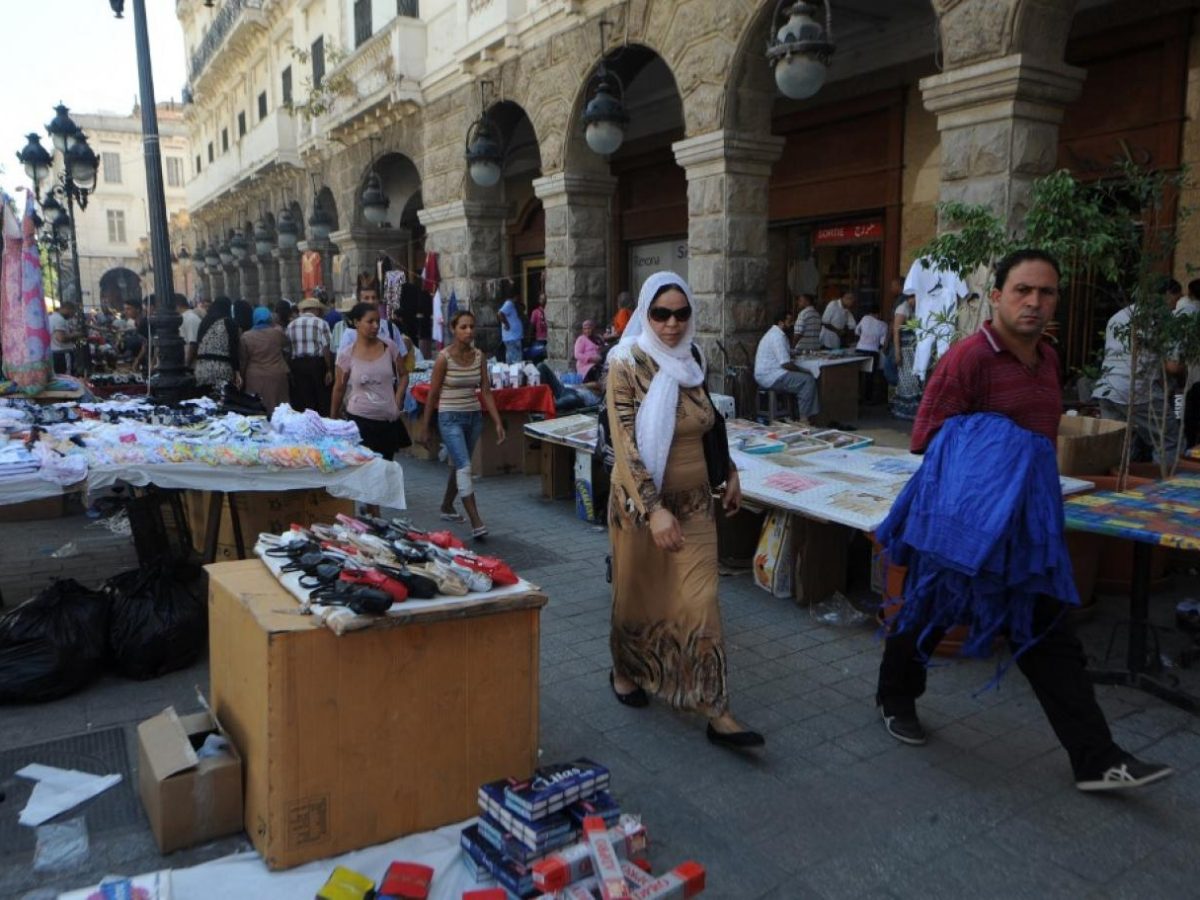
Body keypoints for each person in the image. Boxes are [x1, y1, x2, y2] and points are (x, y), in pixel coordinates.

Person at [875, 248, 1172, 792]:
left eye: (1046, 292)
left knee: (1047, 633)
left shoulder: (1049, 359)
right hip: (962, 524)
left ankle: (1096, 759)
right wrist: (1002, 446)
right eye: (1022, 291)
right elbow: (927, 438)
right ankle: (894, 697)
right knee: (927, 612)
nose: (1034, 302)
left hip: (1023, 528)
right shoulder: (968, 358)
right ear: (996, 297)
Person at [606, 271, 760, 749]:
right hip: (639, 507)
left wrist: (729, 471)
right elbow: (626, 444)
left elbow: (708, 423)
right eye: (660, 314)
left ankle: (716, 709)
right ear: (645, 314)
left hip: (694, 506)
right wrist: (653, 510)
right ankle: (626, 670)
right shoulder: (625, 364)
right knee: (638, 596)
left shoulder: (693, 360)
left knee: (701, 601)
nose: (671, 324)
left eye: (681, 313)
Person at [421, 310, 505, 539]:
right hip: (450, 417)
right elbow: (432, 394)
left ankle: (447, 506)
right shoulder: (443, 358)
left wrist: (497, 422)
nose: (469, 331)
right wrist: (425, 426)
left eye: (471, 327)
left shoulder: (479, 356)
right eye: (463, 327)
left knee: (459, 464)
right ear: (453, 329)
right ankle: (476, 522)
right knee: (465, 466)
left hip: (473, 417)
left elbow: (485, 390)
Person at [1091, 294, 1181, 463]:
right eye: (1176, 300)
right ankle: (1165, 480)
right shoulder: (1162, 320)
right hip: (1138, 390)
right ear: (1166, 295)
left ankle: (1118, 478)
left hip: (1108, 387)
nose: (1175, 307)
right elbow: (1173, 367)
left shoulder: (1118, 316)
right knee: (1168, 440)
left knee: (1118, 447)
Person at [331, 302, 409, 468]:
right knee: (364, 469)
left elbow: (403, 375)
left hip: (387, 420)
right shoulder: (347, 354)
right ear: (356, 322)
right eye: (370, 321)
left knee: (385, 468)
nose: (376, 326)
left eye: (378, 322)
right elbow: (339, 387)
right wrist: (333, 417)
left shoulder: (389, 347)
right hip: (360, 421)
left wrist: (398, 398)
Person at [754, 309, 819, 422]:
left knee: (805, 378)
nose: (791, 324)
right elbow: (785, 364)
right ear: (781, 323)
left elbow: (786, 353)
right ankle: (804, 419)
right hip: (771, 376)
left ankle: (804, 415)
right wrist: (803, 370)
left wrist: (796, 354)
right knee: (808, 380)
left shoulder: (776, 334)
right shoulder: (777, 337)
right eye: (789, 322)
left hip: (770, 374)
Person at [286, 297, 334, 416]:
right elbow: (326, 347)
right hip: (317, 363)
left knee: (304, 398)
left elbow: (288, 348)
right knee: (322, 397)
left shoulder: (291, 325)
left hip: (297, 364)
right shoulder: (321, 323)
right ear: (316, 310)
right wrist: (329, 369)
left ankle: (307, 421)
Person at [239, 306, 291, 414]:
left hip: (255, 377)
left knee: (257, 408)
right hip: (277, 374)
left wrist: (241, 376)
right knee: (279, 409)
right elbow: (288, 348)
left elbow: (243, 360)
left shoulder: (246, 336)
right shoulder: (277, 334)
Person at [194, 296, 241, 390]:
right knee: (221, 395)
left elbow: (198, 343)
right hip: (222, 367)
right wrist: (237, 371)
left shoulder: (204, 322)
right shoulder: (229, 322)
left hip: (202, 367)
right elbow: (233, 348)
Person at [890, 285, 921, 420]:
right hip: (904, 350)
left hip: (911, 351)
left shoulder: (911, 309)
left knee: (913, 380)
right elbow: (896, 331)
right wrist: (897, 352)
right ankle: (904, 411)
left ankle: (910, 411)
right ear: (911, 297)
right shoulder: (902, 309)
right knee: (907, 380)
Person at [853, 306, 889, 403]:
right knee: (870, 376)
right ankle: (868, 398)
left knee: (858, 374)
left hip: (860, 349)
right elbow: (882, 342)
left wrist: (863, 335)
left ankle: (856, 396)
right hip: (873, 351)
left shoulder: (865, 318)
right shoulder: (883, 325)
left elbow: (856, 331)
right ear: (879, 314)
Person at [48, 301, 80, 375]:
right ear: (67, 309)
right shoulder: (60, 320)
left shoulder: (51, 317)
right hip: (63, 354)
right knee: (67, 377)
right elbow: (61, 338)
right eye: (73, 312)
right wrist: (76, 335)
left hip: (54, 353)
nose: (72, 315)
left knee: (59, 377)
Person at [498, 293, 524, 363]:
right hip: (512, 338)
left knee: (512, 361)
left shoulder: (513, 305)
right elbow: (500, 313)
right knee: (516, 363)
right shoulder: (509, 303)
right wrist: (507, 324)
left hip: (513, 338)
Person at [177, 296, 202, 368]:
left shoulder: (190, 318)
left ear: (177, 305)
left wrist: (186, 364)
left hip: (190, 364)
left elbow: (193, 343)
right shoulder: (185, 317)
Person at [528, 292, 549, 362]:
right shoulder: (535, 312)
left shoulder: (549, 311)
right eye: (541, 299)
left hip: (548, 339)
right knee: (538, 358)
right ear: (539, 300)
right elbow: (532, 325)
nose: (543, 301)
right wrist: (530, 337)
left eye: (544, 299)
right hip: (539, 339)